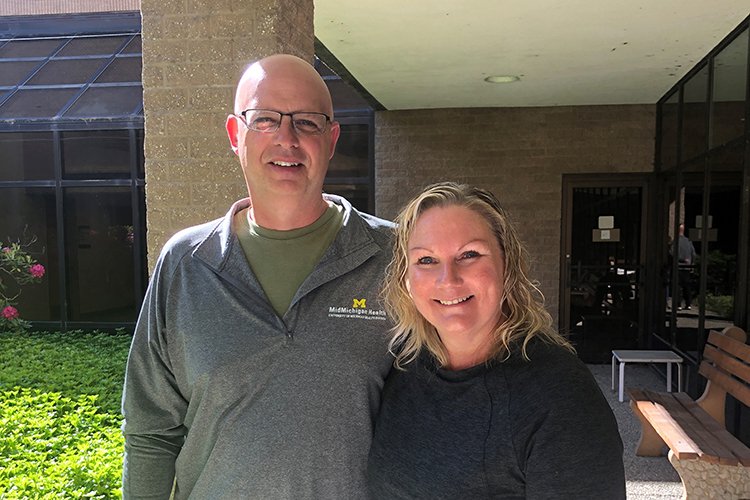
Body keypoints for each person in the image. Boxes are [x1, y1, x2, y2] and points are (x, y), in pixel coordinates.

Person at [121, 54, 394, 499]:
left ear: (331, 138)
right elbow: (151, 429)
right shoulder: (187, 263)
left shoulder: (393, 258)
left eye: (307, 122)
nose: (287, 138)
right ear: (235, 134)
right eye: (264, 119)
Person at [367, 182, 625, 499]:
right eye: (426, 260)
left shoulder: (560, 396)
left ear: (507, 265)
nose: (448, 279)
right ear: (406, 279)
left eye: (470, 254)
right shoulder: (403, 365)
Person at [676, 223, 697, 310]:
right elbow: (693, 254)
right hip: (687, 267)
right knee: (687, 286)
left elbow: (672, 253)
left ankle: (678, 304)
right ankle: (688, 304)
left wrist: (680, 260)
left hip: (678, 267)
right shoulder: (689, 242)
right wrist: (691, 264)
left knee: (678, 286)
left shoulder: (676, 242)